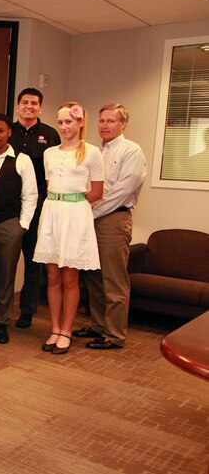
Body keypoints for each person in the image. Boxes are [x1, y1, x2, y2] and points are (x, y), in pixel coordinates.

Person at [33, 102, 104, 355]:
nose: (64, 127)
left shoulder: (92, 152)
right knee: (52, 276)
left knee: (70, 278)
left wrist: (73, 205)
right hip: (52, 212)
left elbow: (97, 192)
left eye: (69, 122)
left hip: (76, 214)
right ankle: (53, 328)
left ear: (80, 122)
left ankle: (66, 330)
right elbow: (51, 184)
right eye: (61, 122)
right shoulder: (50, 153)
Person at [75, 104, 146, 350]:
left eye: (111, 121)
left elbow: (121, 192)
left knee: (114, 279)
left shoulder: (131, 151)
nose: (105, 125)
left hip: (114, 219)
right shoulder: (94, 151)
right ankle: (98, 326)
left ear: (123, 124)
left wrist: (91, 211)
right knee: (92, 275)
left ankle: (114, 334)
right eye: (102, 120)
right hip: (91, 218)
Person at [0, 114, 37, 344]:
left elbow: (30, 195)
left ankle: (1, 321)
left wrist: (22, 226)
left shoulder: (22, 160)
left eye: (0, 131)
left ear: (9, 132)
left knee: (5, 274)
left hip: (9, 224)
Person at [9, 88, 61, 329]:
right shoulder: (7, 132)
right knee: (5, 259)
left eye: (34, 103)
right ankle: (0, 309)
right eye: (25, 102)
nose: (29, 106)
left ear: (40, 108)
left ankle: (27, 311)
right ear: (18, 106)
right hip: (10, 204)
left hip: (40, 203)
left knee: (33, 259)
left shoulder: (51, 134)